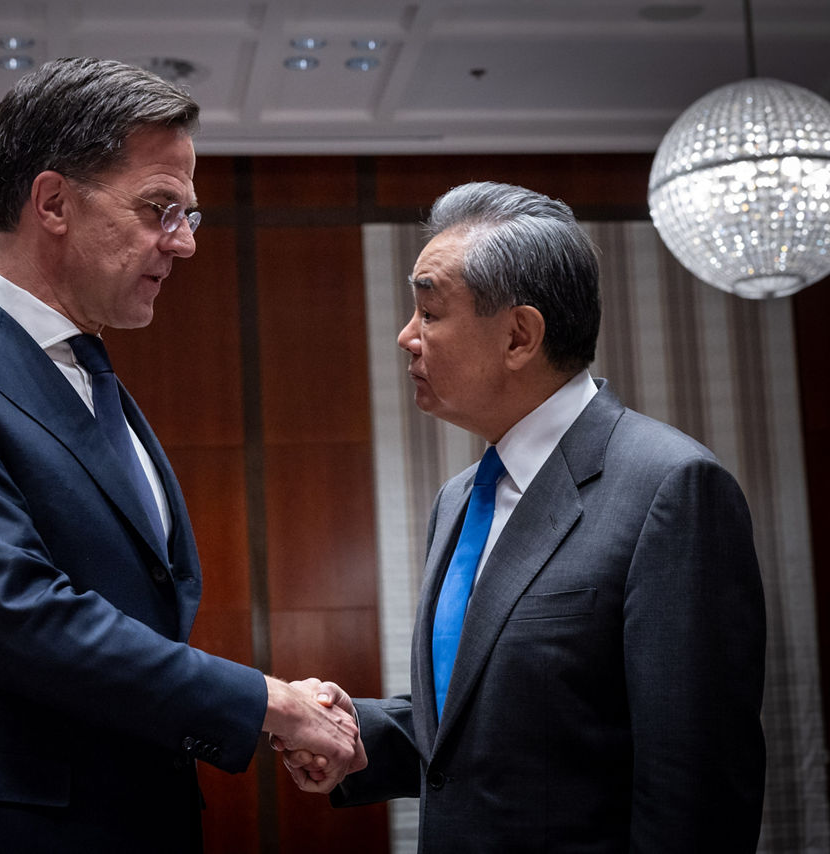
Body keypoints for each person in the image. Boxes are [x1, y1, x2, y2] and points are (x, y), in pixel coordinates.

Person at [0, 57, 360, 853]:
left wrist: (276, 702)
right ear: (52, 202)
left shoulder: (99, 382)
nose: (181, 244)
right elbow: (20, 616)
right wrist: (269, 702)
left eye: (189, 215)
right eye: (158, 208)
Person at [275, 181, 766, 851]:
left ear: (518, 336)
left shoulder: (670, 487)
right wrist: (349, 735)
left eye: (429, 312)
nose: (406, 336)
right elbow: (482, 717)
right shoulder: (459, 499)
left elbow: (697, 785)